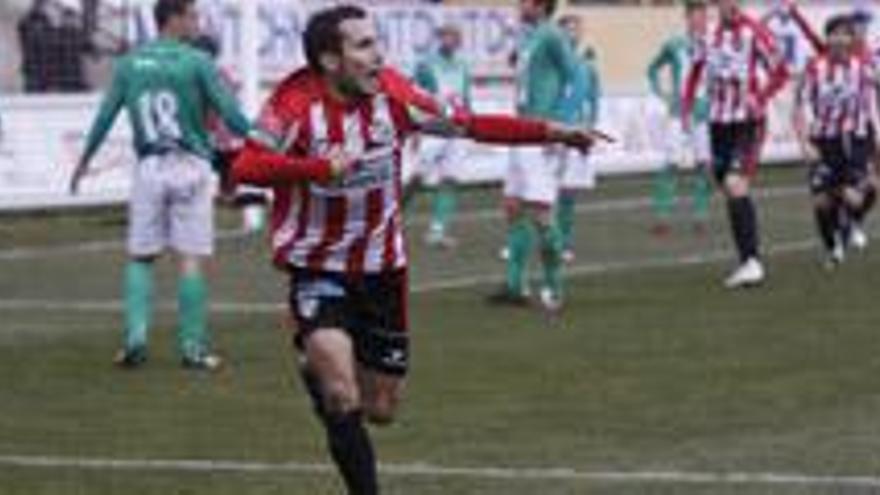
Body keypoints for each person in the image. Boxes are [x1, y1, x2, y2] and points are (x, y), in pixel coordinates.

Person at [230, 5, 603, 493]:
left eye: (376, 41)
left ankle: (318, 372)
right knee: (342, 395)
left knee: (380, 409)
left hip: (383, 270)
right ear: (328, 59)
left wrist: (553, 131)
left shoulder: (395, 97)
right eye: (362, 45)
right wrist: (319, 169)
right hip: (318, 266)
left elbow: (471, 124)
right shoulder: (294, 103)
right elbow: (246, 166)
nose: (377, 54)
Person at [69, 0, 254, 370]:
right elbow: (232, 116)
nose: (198, 23)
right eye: (194, 15)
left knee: (140, 257)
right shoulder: (198, 62)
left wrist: (84, 161)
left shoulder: (129, 64)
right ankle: (193, 349)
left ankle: (135, 340)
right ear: (176, 18)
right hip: (191, 166)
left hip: (150, 166)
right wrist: (268, 141)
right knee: (189, 258)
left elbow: (105, 115)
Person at [682, 0, 788, 288]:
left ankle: (752, 262)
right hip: (719, 123)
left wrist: (761, 96)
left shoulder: (756, 32)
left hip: (748, 121)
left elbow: (781, 71)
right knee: (730, 188)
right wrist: (687, 108)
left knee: (734, 182)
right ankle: (747, 260)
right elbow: (694, 72)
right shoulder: (708, 35)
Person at [490, 0, 586, 311]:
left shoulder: (552, 35)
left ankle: (554, 287)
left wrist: (561, 123)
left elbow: (578, 78)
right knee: (513, 206)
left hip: (542, 134)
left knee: (542, 213)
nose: (520, 4)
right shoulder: (529, 36)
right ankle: (516, 286)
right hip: (520, 132)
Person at [792, 15, 879, 268]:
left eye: (845, 34)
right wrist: (804, 143)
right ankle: (833, 248)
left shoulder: (864, 67)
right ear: (827, 38)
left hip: (855, 139)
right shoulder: (813, 68)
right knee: (821, 201)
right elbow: (798, 107)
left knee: (855, 197)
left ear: (852, 39)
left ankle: (850, 224)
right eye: (834, 34)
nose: (840, 39)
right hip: (823, 141)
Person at [646, 0, 712, 237]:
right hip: (679, 111)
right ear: (687, 18)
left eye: (704, 16)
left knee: (703, 165)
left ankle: (700, 215)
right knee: (671, 163)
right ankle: (662, 216)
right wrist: (663, 95)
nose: (701, 21)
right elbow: (652, 69)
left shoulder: (713, 45)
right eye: (696, 16)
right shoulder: (674, 44)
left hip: (705, 113)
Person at [409, 23, 473, 248]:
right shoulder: (426, 64)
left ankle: (437, 230)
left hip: (456, 130)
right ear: (439, 39)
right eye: (445, 36)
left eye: (454, 36)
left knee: (450, 179)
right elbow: (413, 96)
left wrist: (470, 127)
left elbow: (466, 97)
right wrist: (414, 128)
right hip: (432, 129)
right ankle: (394, 221)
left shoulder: (463, 66)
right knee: (414, 179)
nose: (449, 40)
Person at [557, 15, 601, 262]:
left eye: (577, 30)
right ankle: (540, 238)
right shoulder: (553, 63)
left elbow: (594, 98)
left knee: (569, 191)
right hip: (554, 130)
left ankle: (565, 241)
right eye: (568, 29)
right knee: (543, 189)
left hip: (577, 132)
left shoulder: (586, 66)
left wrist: (591, 126)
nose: (573, 34)